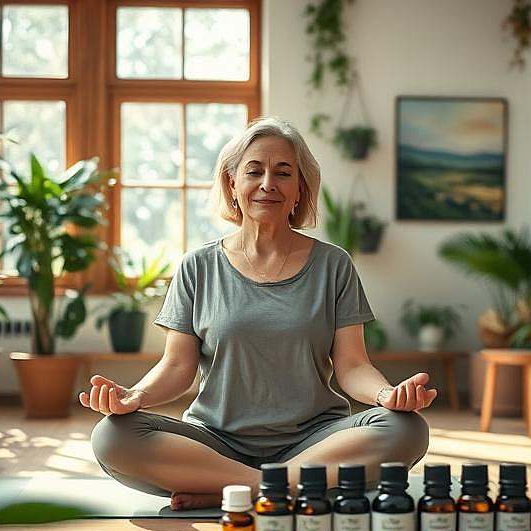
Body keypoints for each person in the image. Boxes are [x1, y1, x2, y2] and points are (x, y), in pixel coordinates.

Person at [82, 117, 434, 510]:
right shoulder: (197, 267)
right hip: (215, 443)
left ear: (300, 189)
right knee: (112, 437)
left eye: (284, 173)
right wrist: (135, 396)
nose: (268, 184)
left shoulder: (334, 265)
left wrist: (387, 395)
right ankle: (275, 486)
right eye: (255, 171)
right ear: (232, 183)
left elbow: (352, 367)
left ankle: (229, 490)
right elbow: (178, 367)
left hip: (316, 440)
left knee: (405, 429)